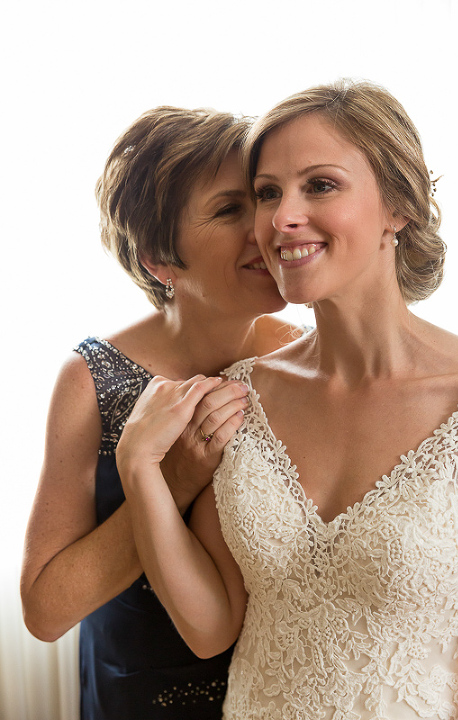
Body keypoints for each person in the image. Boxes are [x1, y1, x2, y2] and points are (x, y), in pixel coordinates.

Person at [117, 80, 458, 719]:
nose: (282, 217)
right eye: (267, 193)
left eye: (321, 185)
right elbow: (212, 627)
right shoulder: (239, 395)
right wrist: (139, 468)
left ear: (398, 206)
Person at [20, 105, 302, 720]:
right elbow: (44, 611)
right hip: (136, 697)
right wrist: (171, 479)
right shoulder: (92, 381)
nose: (267, 226)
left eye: (261, 199)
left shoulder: (308, 360)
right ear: (158, 257)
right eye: (229, 210)